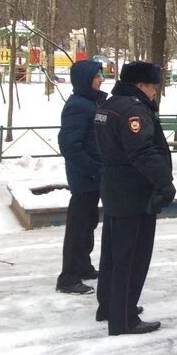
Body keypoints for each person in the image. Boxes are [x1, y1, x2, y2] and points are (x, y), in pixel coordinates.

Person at [94, 61, 174, 336]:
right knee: (132, 256)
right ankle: (124, 318)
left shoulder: (109, 105)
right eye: (153, 87)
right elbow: (142, 152)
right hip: (134, 192)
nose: (155, 93)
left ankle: (109, 305)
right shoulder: (133, 111)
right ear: (141, 85)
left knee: (113, 253)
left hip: (115, 188)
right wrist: (165, 182)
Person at [56, 60, 107, 295]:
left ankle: (83, 266)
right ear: (86, 79)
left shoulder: (91, 102)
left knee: (88, 223)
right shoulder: (78, 106)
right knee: (78, 227)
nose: (101, 79)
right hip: (85, 177)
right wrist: (93, 168)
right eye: (97, 76)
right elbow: (70, 145)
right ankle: (68, 277)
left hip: (93, 176)